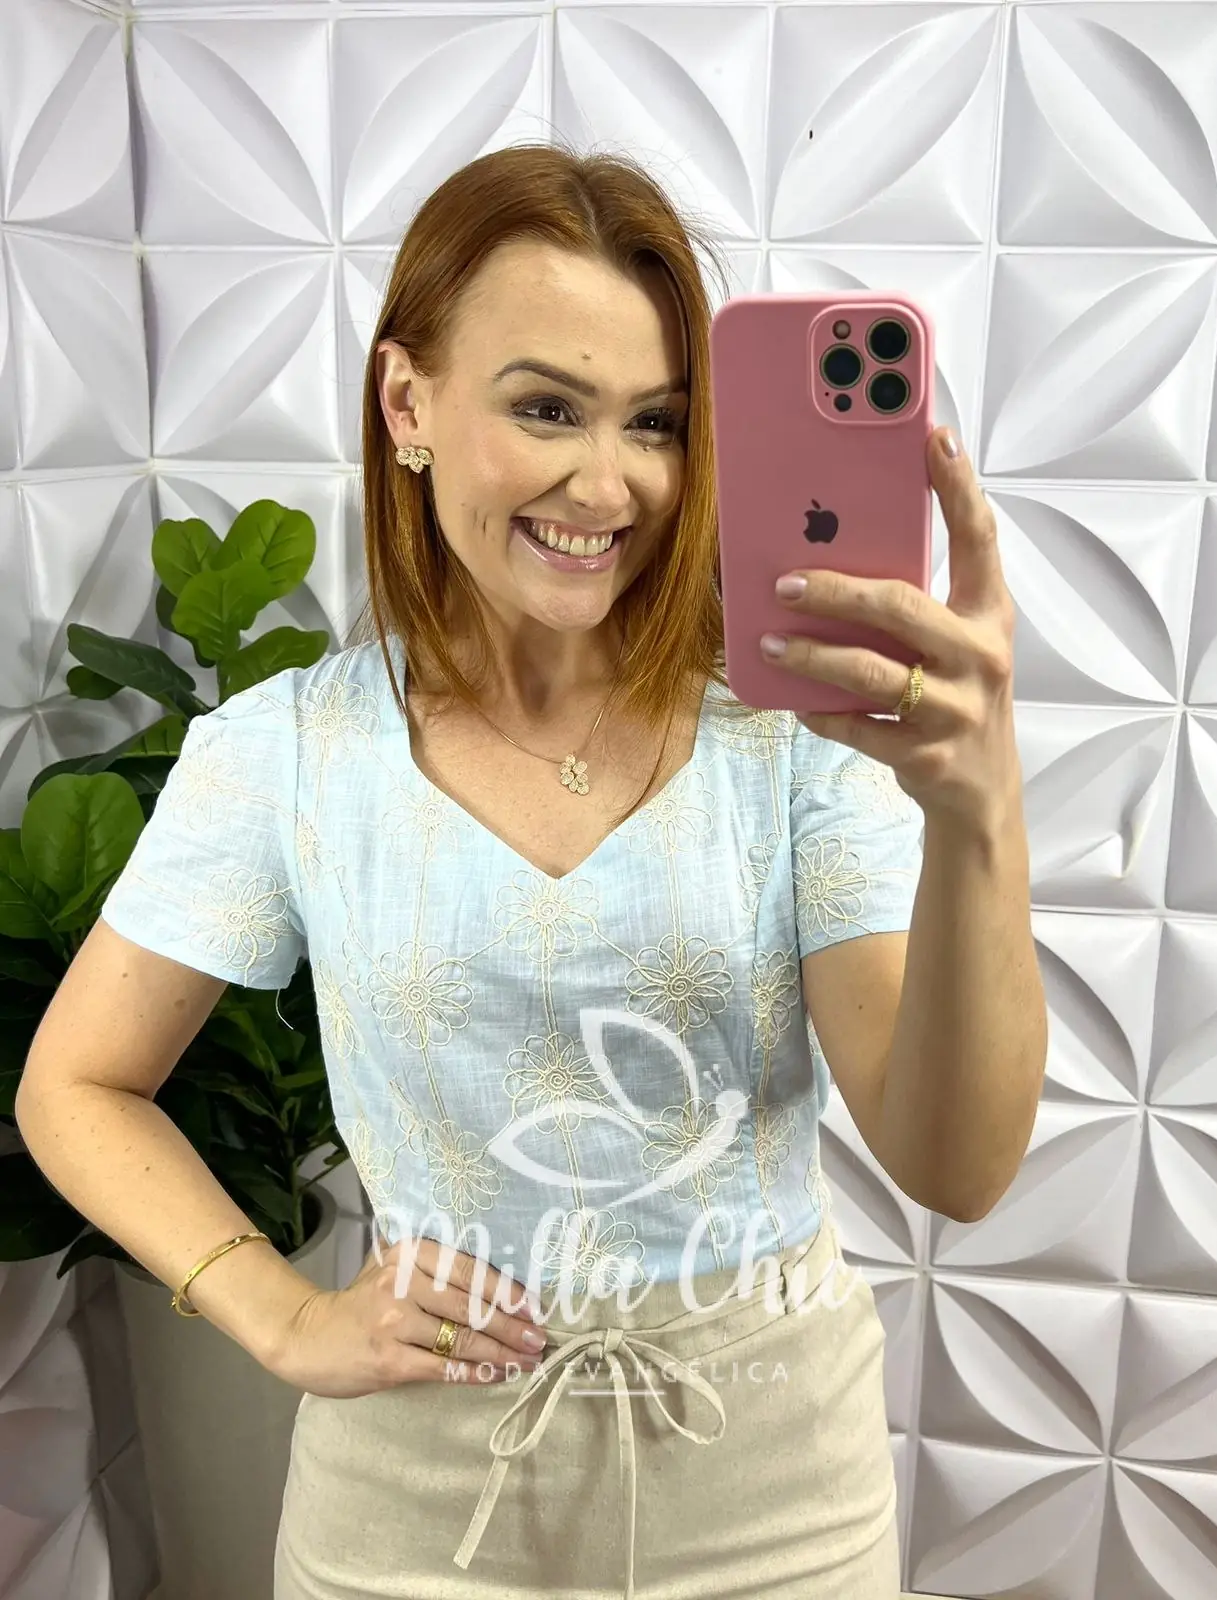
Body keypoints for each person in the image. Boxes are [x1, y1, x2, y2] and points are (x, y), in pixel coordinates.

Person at [16, 143, 1045, 1599]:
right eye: (547, 407)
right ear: (408, 404)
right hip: (414, 1504)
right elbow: (75, 1084)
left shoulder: (791, 747)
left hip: (773, 1491)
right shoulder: (287, 752)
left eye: (657, 423)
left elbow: (957, 1168)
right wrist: (281, 1317)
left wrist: (979, 812)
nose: (608, 483)